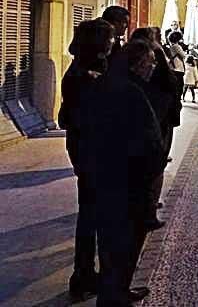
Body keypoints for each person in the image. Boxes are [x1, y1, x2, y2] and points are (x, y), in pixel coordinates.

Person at [81, 40, 165, 306]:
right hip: (127, 181)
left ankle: (116, 291)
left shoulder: (105, 84)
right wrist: (151, 167)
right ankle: (114, 294)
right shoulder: (130, 92)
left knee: (111, 244)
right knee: (123, 243)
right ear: (138, 63)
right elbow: (146, 138)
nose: (152, 66)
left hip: (107, 176)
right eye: (150, 61)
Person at [59, 18, 115, 301]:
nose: (113, 43)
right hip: (92, 152)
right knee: (96, 216)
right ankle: (87, 276)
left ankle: (85, 273)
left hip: (88, 150)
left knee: (91, 215)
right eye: (110, 38)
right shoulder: (82, 75)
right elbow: (69, 116)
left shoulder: (84, 70)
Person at [129, 27, 179, 230]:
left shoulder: (152, 55)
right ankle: (148, 210)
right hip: (158, 119)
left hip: (158, 117)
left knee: (152, 165)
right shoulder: (156, 54)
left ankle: (146, 207)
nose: (150, 67)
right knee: (153, 165)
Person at [166, 31, 187, 102]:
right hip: (178, 68)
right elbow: (184, 56)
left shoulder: (171, 46)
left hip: (173, 67)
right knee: (179, 86)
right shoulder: (176, 46)